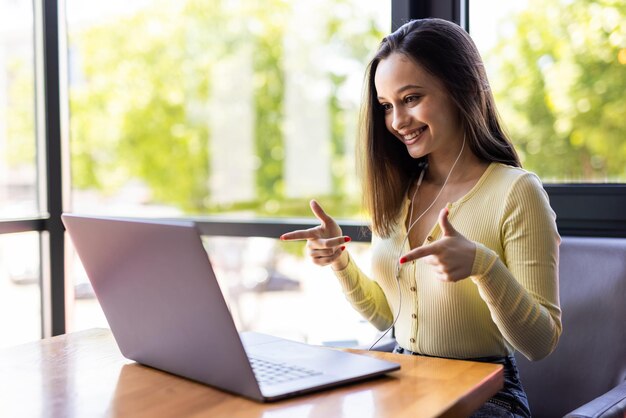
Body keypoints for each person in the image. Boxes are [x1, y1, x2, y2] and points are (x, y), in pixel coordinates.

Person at [280, 18, 561, 417]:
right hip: (407, 380)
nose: (396, 122)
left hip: (487, 395)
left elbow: (540, 343)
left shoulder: (516, 191)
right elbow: (386, 317)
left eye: (411, 98)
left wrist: (483, 265)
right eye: (386, 107)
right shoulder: (398, 193)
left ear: (461, 88)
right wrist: (340, 261)